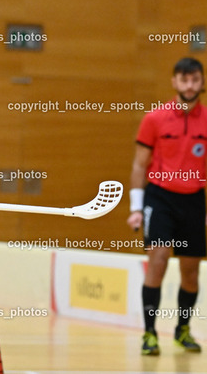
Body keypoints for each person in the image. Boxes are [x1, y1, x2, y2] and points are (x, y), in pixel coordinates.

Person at [127, 57, 206, 356]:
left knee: (190, 272)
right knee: (157, 261)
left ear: (201, 82)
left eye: (195, 79)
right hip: (160, 198)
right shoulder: (155, 119)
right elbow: (138, 165)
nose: (189, 85)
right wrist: (136, 207)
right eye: (184, 79)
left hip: (194, 200)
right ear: (174, 82)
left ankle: (182, 329)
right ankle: (149, 333)